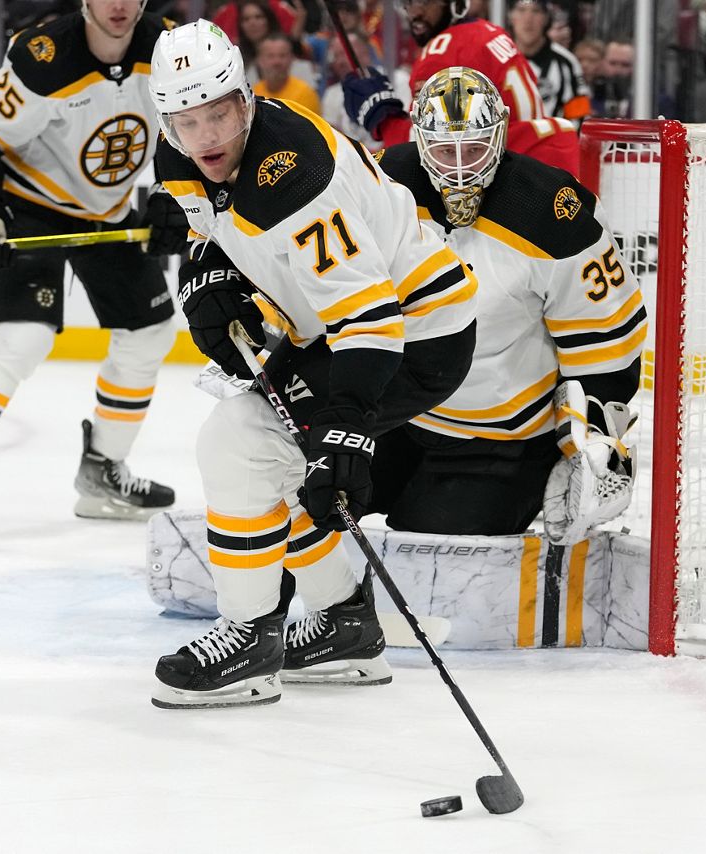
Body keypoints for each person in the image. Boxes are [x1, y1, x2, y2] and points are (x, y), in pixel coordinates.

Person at [146, 20, 478, 708]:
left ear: (244, 99)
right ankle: (343, 625)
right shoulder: (181, 157)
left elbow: (371, 316)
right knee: (271, 459)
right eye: (186, 119)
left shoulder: (295, 176)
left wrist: (346, 430)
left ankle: (251, 638)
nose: (205, 135)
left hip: (413, 335)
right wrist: (211, 277)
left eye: (218, 113)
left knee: (238, 443)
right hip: (332, 331)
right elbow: (219, 231)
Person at [0, 0, 183, 546]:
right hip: (31, 206)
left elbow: (183, 128)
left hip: (107, 211)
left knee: (150, 331)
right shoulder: (43, 55)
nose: (119, 6)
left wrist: (171, 194)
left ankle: (103, 472)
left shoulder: (167, 50)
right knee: (21, 339)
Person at [373, 65, 643, 543]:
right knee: (303, 493)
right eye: (443, 149)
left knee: (433, 550)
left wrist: (595, 442)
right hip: (399, 415)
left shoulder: (551, 211)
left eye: (474, 148)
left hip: (502, 442)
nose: (459, 168)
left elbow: (608, 339)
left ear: (499, 137)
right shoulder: (382, 183)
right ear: (419, 141)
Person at [339, 0, 580, 175]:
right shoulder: (490, 32)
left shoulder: (442, 53)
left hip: (497, 178)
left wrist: (383, 119)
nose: (415, 13)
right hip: (537, 165)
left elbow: (427, 149)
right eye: (408, 2)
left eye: (424, 2)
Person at [507, 0, 590, 122]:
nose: (528, 19)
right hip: (506, 139)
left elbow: (580, 115)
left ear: (546, 18)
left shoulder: (566, 62)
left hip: (553, 139)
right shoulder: (497, 56)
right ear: (511, 17)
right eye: (521, 10)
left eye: (536, 11)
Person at [251, 31, 318, 113]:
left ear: (291, 59)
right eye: (270, 56)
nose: (277, 61)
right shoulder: (253, 94)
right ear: (260, 61)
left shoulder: (305, 93)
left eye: (282, 55)